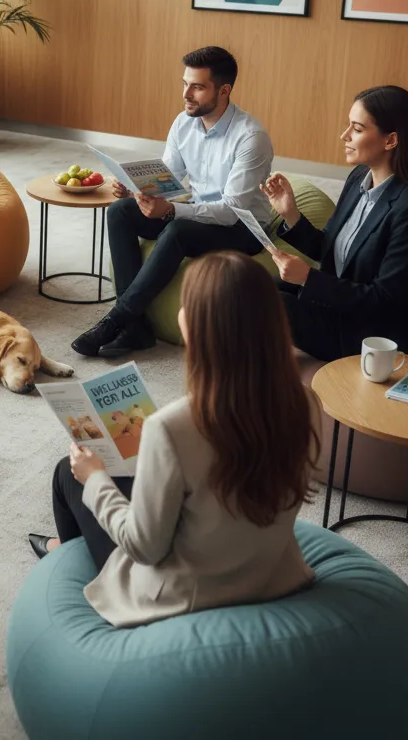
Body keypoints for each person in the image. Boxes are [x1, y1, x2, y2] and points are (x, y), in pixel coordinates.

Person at [29, 252, 317, 629]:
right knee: (130, 475)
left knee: (70, 474)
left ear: (201, 329)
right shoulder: (305, 402)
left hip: (188, 595)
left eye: (185, 304)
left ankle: (68, 556)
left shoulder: (172, 427)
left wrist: (94, 478)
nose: (179, 312)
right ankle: (71, 546)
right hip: (271, 575)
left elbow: (145, 548)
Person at [72, 46, 273, 359]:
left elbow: (230, 209)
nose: (187, 94)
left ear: (224, 90)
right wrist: (134, 189)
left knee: (178, 230)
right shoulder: (184, 123)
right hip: (197, 213)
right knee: (120, 212)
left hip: (242, 227)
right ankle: (136, 327)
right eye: (185, 84)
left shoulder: (250, 137)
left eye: (197, 87)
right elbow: (168, 179)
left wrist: (172, 209)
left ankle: (117, 319)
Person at [262, 85, 408, 361]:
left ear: (390, 140)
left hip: (380, 334)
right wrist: (291, 214)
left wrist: (309, 278)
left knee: (268, 303)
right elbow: (334, 250)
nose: (344, 136)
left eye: (357, 129)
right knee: (255, 284)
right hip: (344, 305)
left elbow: (385, 300)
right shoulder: (360, 176)